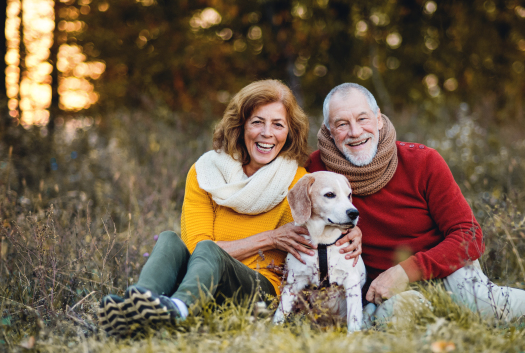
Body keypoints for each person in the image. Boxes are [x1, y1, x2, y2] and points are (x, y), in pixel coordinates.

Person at [97, 80, 362, 336]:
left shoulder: (299, 182)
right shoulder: (205, 173)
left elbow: (329, 217)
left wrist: (352, 231)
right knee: (168, 240)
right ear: (240, 126)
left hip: (259, 290)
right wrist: (269, 238)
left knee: (209, 250)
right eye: (257, 122)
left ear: (289, 132)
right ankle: (142, 304)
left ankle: (176, 309)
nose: (267, 133)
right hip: (200, 278)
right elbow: (196, 248)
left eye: (278, 124)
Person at [306, 83, 525, 324]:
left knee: (479, 302)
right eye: (341, 124)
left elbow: (469, 236)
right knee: (397, 321)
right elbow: (298, 220)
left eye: (362, 118)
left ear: (378, 120)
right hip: (381, 290)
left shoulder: (423, 162)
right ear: (329, 131)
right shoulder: (316, 173)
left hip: (444, 271)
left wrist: (406, 271)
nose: (354, 132)